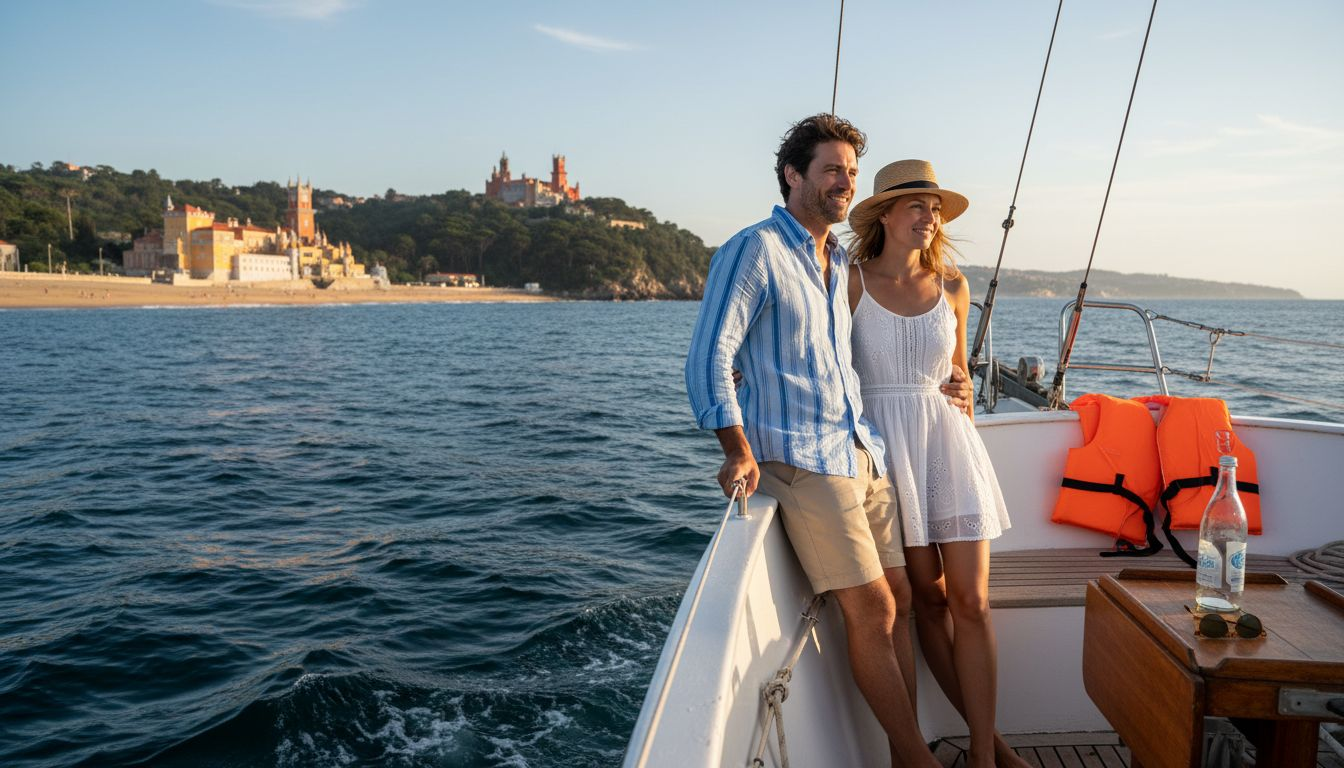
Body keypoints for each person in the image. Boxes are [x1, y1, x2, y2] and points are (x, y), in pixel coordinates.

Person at [685, 115, 968, 767]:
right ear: (794, 176)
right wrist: (735, 448)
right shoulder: (755, 250)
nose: (845, 182)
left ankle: (905, 753)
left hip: (858, 452)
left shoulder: (838, 259)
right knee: (871, 607)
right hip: (797, 460)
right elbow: (709, 355)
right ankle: (917, 758)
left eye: (850, 171)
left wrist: (958, 384)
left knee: (901, 596)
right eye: (831, 169)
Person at [846, 159, 1025, 768]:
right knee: (928, 600)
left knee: (972, 602)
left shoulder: (953, 285)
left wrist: (967, 390)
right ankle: (994, 749)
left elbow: (957, 374)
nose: (929, 216)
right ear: (886, 216)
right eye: (918, 205)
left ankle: (981, 754)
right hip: (887, 454)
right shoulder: (850, 281)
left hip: (949, 444)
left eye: (935, 207)